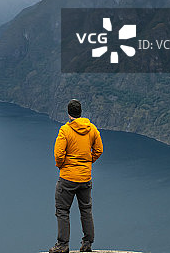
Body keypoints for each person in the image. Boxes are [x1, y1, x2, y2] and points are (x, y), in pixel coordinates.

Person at [49, 99, 103, 253]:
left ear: (68, 113)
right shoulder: (92, 129)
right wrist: (87, 162)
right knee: (86, 210)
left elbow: (59, 154)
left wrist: (62, 166)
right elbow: (99, 150)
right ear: (80, 113)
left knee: (62, 210)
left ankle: (63, 245)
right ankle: (87, 244)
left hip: (67, 178)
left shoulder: (65, 131)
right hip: (85, 178)